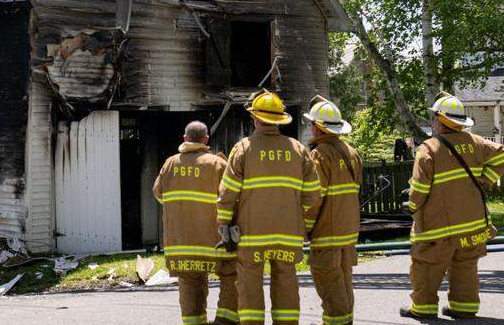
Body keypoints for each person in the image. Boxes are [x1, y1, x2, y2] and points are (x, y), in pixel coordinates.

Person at [400, 92, 504, 320]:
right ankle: (464, 308)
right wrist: (485, 178)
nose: (432, 123)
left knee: (426, 266)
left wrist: (411, 205)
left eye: (434, 118)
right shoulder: (476, 142)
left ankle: (423, 308)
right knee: (465, 267)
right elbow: (503, 155)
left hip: (437, 228)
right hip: (472, 225)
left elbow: (419, 190)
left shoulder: (428, 149)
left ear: (440, 122)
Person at [217, 90, 322, 324]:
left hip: (251, 235)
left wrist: (224, 225)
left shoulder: (243, 148)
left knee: (249, 284)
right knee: (286, 282)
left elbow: (227, 193)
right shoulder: (298, 150)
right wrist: (299, 219)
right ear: (279, 120)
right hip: (287, 233)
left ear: (255, 119)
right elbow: (314, 195)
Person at [152, 120, 238, 325]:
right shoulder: (217, 164)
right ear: (206, 140)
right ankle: (225, 320)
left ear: (184, 139)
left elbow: (158, 194)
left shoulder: (170, 163)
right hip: (214, 243)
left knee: (189, 282)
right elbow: (233, 198)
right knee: (232, 274)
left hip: (182, 244)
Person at [305, 96, 362, 325]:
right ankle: (345, 319)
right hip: (348, 228)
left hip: (327, 229)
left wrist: (305, 228)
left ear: (318, 128)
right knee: (343, 277)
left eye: (311, 124)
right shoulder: (352, 152)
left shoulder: (320, 155)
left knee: (328, 278)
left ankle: (336, 321)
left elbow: (313, 196)